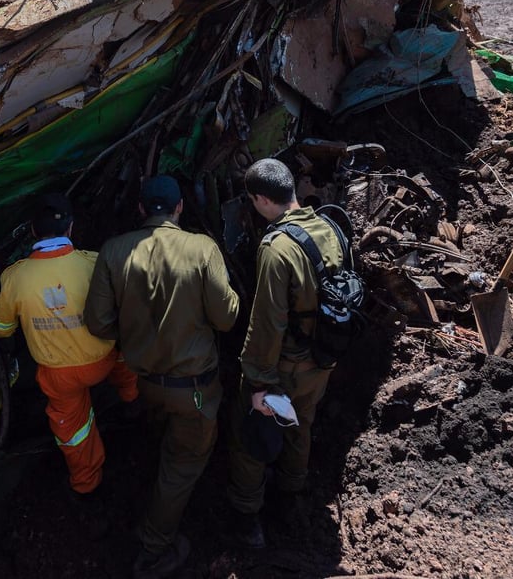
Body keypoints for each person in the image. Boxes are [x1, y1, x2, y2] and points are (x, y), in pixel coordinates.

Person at [84, 176, 239, 579]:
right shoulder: (202, 249)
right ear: (180, 207)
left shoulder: (114, 251)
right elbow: (226, 318)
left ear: (140, 209)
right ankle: (154, 548)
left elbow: (98, 325)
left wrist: (137, 331)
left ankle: (148, 492)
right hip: (195, 392)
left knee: (162, 442)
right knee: (182, 467)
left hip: (145, 385)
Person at [0, 193, 139, 500]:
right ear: (71, 228)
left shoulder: (16, 277)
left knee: (74, 429)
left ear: (32, 231)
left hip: (59, 376)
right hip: (104, 359)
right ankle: (131, 399)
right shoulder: (93, 263)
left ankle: (86, 483)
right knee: (124, 360)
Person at [227, 157, 345, 549]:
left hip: (286, 366)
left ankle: (247, 520)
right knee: (301, 428)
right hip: (321, 361)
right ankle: (289, 500)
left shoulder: (277, 248)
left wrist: (259, 382)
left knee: (253, 435)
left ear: (261, 199)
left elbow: (267, 323)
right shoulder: (330, 225)